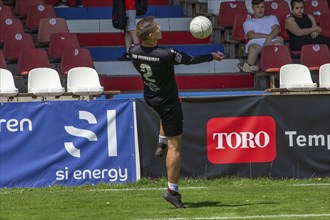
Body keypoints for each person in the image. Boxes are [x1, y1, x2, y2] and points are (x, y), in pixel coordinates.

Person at [128, 16, 224, 208]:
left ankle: (161, 142)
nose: (160, 27)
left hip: (150, 97)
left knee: (164, 119)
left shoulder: (133, 51)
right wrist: (211, 56)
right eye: (157, 27)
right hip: (169, 103)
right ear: (151, 35)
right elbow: (191, 60)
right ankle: (172, 191)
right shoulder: (166, 55)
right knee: (176, 145)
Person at [239, 0, 283, 73]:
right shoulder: (248, 22)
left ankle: (278, 68)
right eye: (257, 7)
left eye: (262, 7)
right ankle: (249, 68)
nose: (260, 9)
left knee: (277, 45)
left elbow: (277, 29)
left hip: (272, 40)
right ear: (253, 8)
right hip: (257, 42)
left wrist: (269, 38)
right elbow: (251, 35)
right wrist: (268, 37)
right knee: (253, 48)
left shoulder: (272, 17)